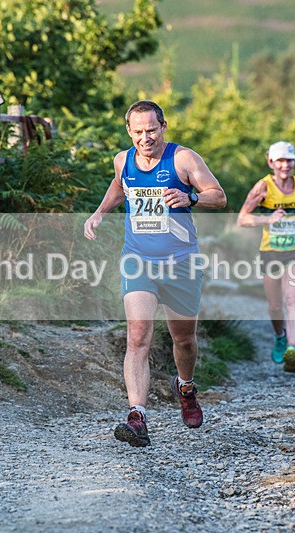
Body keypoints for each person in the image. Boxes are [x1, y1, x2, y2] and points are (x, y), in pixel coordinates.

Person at [84, 100, 226, 447]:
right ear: (129, 131)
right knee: (138, 335)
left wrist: (190, 197)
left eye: (152, 129)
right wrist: (100, 212)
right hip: (138, 260)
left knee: (184, 340)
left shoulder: (183, 159)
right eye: (139, 131)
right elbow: (120, 186)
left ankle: (186, 387)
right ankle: (137, 417)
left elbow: (218, 196)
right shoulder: (123, 160)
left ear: (163, 126)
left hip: (180, 262)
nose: (145, 137)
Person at [237, 141, 295, 373]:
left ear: (294, 161)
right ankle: (280, 336)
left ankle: (292, 350)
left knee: (293, 300)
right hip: (271, 251)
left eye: (289, 160)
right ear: (271, 162)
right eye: (280, 161)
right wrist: (267, 219)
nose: (285, 165)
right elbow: (242, 218)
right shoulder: (263, 188)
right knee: (275, 306)